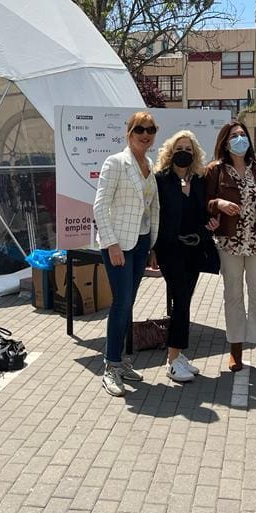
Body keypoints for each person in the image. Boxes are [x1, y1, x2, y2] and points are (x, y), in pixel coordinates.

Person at [93, 111, 160, 397]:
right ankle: (111, 366)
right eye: (139, 129)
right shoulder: (116, 163)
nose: (145, 134)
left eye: (150, 129)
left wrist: (153, 246)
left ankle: (120, 362)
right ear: (129, 133)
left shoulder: (149, 164)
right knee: (121, 303)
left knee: (129, 303)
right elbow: (99, 206)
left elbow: (151, 209)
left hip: (142, 242)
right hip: (119, 245)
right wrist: (111, 244)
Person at [205, 121, 256, 374]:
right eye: (233, 136)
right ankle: (235, 350)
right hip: (229, 241)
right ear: (225, 143)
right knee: (233, 295)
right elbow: (204, 203)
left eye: (242, 135)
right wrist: (219, 204)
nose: (239, 139)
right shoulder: (215, 170)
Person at [153, 130, 218, 383]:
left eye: (189, 150)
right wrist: (153, 250)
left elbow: (204, 212)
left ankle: (179, 356)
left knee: (185, 301)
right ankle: (171, 360)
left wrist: (210, 224)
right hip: (171, 250)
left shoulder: (200, 180)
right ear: (170, 151)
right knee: (180, 301)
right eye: (180, 148)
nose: (184, 153)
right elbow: (154, 215)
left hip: (195, 249)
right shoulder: (161, 179)